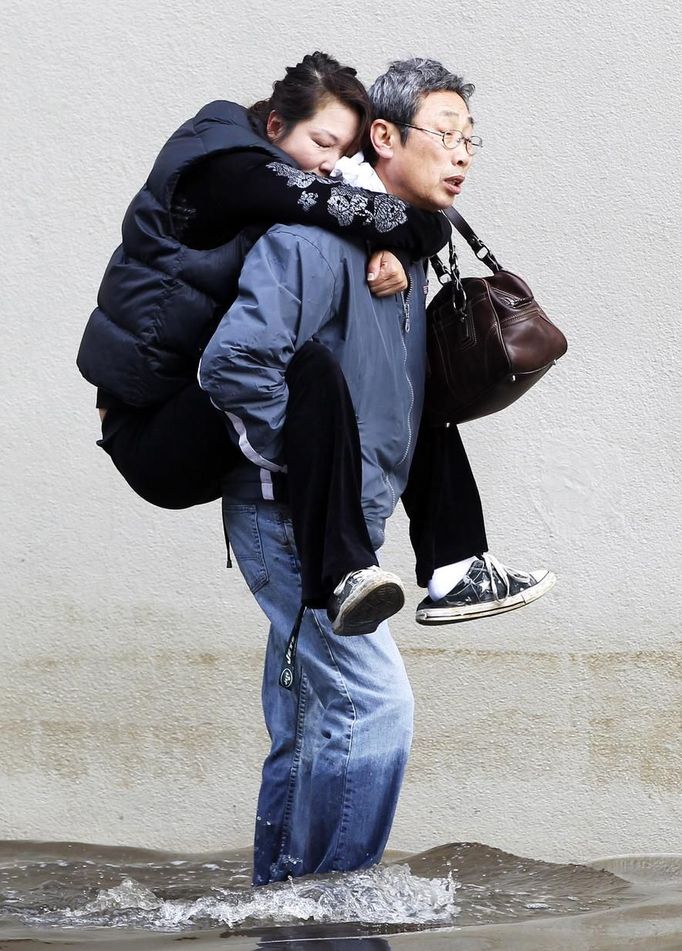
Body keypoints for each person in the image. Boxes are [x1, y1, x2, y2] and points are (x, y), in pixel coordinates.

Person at [198, 57, 555, 886]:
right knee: (376, 707)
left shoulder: (404, 245)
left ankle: (285, 905)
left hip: (337, 522)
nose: (462, 154)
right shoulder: (317, 241)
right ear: (385, 138)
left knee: (310, 724)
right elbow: (235, 363)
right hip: (294, 520)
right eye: (445, 135)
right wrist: (310, 464)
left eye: (472, 139)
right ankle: (337, 903)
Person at [76, 52, 452, 630]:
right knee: (315, 372)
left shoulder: (281, 177)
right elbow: (352, 209)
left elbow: (390, 219)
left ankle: (456, 560)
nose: (329, 166)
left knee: (395, 378)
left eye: (343, 154)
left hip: (196, 408)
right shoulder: (224, 167)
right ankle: (343, 571)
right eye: (323, 144)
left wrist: (399, 243)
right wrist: (411, 230)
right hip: (150, 429)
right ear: (275, 126)